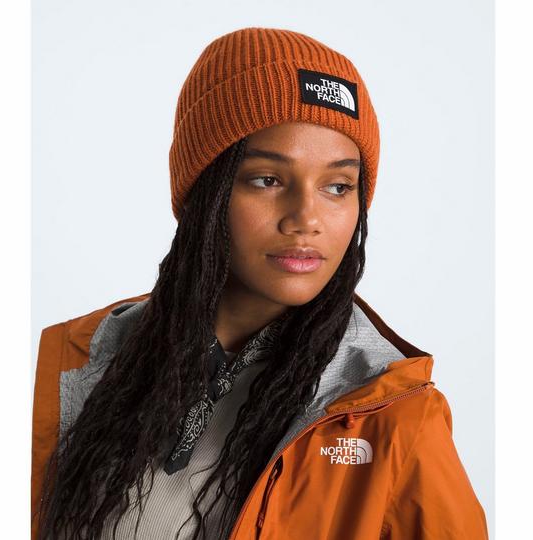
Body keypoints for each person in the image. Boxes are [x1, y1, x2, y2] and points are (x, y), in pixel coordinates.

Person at [31, 27, 489, 540]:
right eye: (267, 180)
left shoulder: (393, 414)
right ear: (204, 191)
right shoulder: (67, 364)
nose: (306, 219)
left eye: (338, 186)